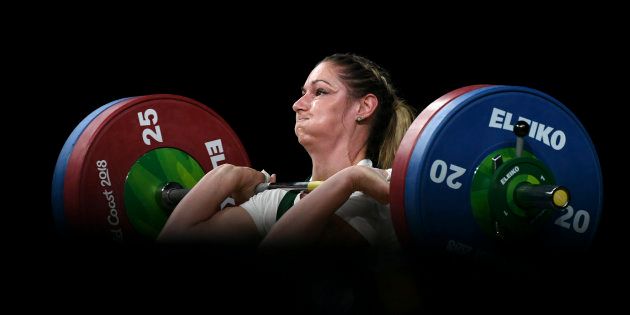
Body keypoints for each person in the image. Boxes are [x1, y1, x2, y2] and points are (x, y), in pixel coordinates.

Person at [158, 53, 415, 253]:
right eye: (302, 93)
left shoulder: (382, 195)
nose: (297, 105)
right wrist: (229, 175)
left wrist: (351, 179)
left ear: (365, 106)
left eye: (320, 92)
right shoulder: (278, 200)